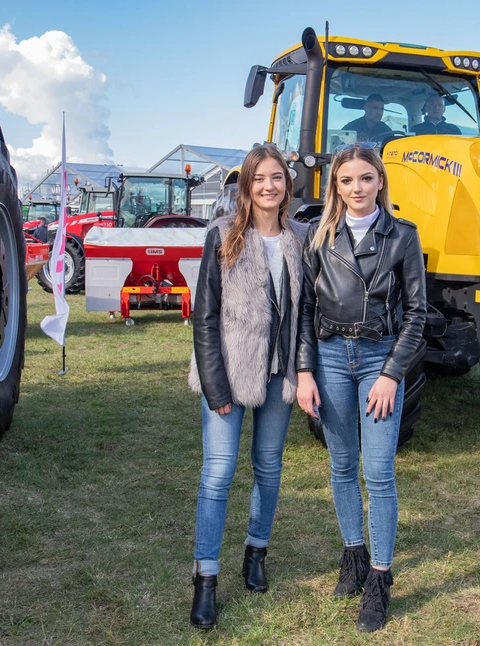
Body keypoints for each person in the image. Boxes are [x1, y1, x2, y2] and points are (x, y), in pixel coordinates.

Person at [296, 145, 427, 632]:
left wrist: (393, 373)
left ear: (380, 182)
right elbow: (306, 313)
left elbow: (417, 313)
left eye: (366, 179)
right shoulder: (318, 236)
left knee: (378, 472)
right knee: (341, 464)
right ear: (335, 186)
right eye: (347, 180)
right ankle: (353, 554)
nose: (356, 188)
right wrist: (305, 371)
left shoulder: (402, 236)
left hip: (378, 358)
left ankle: (379, 577)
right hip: (330, 358)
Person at [188, 144, 307, 630]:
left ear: (286, 185)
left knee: (269, 467)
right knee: (217, 473)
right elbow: (204, 316)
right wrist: (215, 386)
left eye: (276, 177)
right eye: (259, 178)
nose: (268, 186)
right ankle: (206, 577)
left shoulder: (301, 237)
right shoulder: (222, 236)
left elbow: (306, 317)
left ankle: (256, 552)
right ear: (246, 186)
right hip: (229, 372)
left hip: (279, 373)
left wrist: (302, 372)